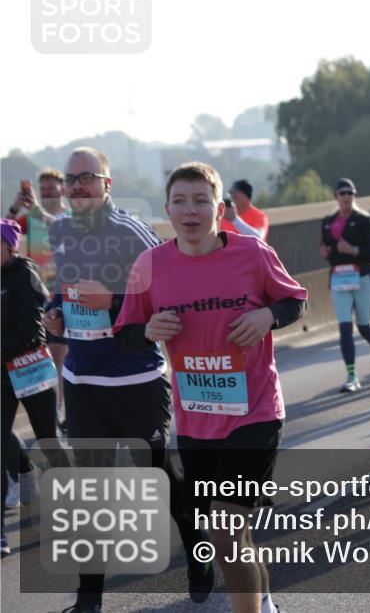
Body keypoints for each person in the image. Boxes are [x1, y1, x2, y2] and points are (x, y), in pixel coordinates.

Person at [114, 162, 308, 613]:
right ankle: (259, 598)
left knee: (222, 530)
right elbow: (123, 334)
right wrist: (147, 331)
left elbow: (295, 299)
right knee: (232, 538)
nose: (191, 209)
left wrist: (267, 316)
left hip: (255, 412)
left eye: (201, 200)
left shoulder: (252, 253)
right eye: (181, 201)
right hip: (197, 422)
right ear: (167, 210)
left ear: (219, 209)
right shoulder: (149, 266)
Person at [44, 148, 211, 612]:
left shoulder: (132, 233)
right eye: (70, 178)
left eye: (87, 178)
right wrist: (53, 313)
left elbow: (167, 302)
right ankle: (88, 598)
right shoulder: (60, 230)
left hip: (135, 380)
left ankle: (197, 547)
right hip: (82, 382)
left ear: (107, 184)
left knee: (160, 475)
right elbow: (63, 289)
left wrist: (113, 304)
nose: (77, 186)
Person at [1, 219, 71, 556]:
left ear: (9, 246)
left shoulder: (24, 274)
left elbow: (32, 330)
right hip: (2, 374)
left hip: (30, 368)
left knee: (48, 439)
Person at [6, 167, 71, 426]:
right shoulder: (30, 220)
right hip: (36, 293)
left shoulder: (68, 218)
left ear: (62, 189)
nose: (44, 193)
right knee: (52, 353)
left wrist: (37, 213)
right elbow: (4, 231)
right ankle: (57, 409)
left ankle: (61, 408)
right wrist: (13, 208)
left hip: (65, 292)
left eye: (50, 188)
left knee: (60, 353)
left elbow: (61, 229)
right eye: (41, 189)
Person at [320, 178, 370, 392]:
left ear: (354, 196)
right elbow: (326, 246)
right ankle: (351, 376)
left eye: (350, 193)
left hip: (362, 277)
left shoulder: (364, 219)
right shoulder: (328, 221)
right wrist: (325, 252)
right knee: (345, 327)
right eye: (342, 193)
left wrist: (354, 251)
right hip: (339, 280)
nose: (346, 197)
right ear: (336, 197)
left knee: (364, 326)